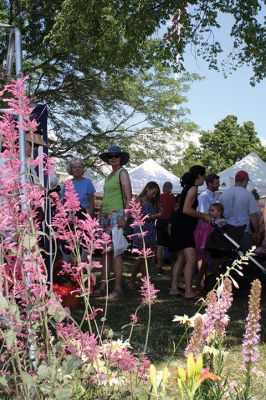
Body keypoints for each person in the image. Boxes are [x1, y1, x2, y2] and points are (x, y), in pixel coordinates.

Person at [93, 145, 132, 298]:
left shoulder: (123, 173)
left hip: (117, 215)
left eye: (116, 156)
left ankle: (117, 288)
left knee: (116, 252)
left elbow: (129, 197)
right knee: (105, 252)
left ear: (121, 158)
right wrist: (100, 213)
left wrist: (125, 217)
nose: (113, 158)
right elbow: (107, 197)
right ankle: (103, 285)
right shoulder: (109, 175)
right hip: (105, 216)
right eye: (110, 156)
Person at [169, 165, 211, 298]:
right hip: (183, 226)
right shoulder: (193, 188)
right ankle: (188, 291)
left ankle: (174, 288)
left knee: (181, 258)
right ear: (199, 176)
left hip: (179, 225)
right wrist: (202, 215)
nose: (204, 178)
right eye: (204, 176)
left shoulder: (188, 187)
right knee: (191, 258)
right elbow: (186, 209)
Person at [129, 182, 162, 288]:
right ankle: (132, 280)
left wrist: (157, 215)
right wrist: (154, 216)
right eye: (153, 192)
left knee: (147, 259)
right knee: (141, 258)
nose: (154, 195)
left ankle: (144, 281)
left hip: (151, 231)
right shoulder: (139, 200)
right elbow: (139, 217)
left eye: (156, 193)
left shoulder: (152, 202)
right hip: (141, 231)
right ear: (147, 188)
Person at [219, 170, 259, 252]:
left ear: (236, 180)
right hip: (244, 232)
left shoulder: (224, 194)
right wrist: (257, 232)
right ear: (245, 180)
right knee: (246, 260)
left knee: (228, 259)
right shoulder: (248, 195)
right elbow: (253, 216)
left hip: (228, 232)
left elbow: (220, 214)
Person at [195, 173, 220, 295]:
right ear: (210, 183)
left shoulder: (213, 195)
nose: (219, 184)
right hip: (204, 229)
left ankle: (203, 284)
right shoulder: (204, 196)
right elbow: (203, 214)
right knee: (202, 256)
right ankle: (199, 284)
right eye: (216, 182)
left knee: (206, 257)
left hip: (210, 229)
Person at [156, 182, 176, 275]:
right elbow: (174, 209)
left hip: (160, 221)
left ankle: (159, 267)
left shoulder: (159, 197)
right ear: (170, 188)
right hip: (168, 222)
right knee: (171, 244)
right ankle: (173, 267)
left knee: (160, 245)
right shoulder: (172, 198)